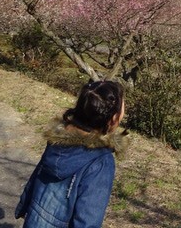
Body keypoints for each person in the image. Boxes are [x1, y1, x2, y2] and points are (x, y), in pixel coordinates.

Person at [15, 80, 128, 227]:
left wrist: (25, 206)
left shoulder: (57, 139)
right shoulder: (100, 161)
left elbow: (36, 178)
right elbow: (88, 219)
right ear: (113, 118)